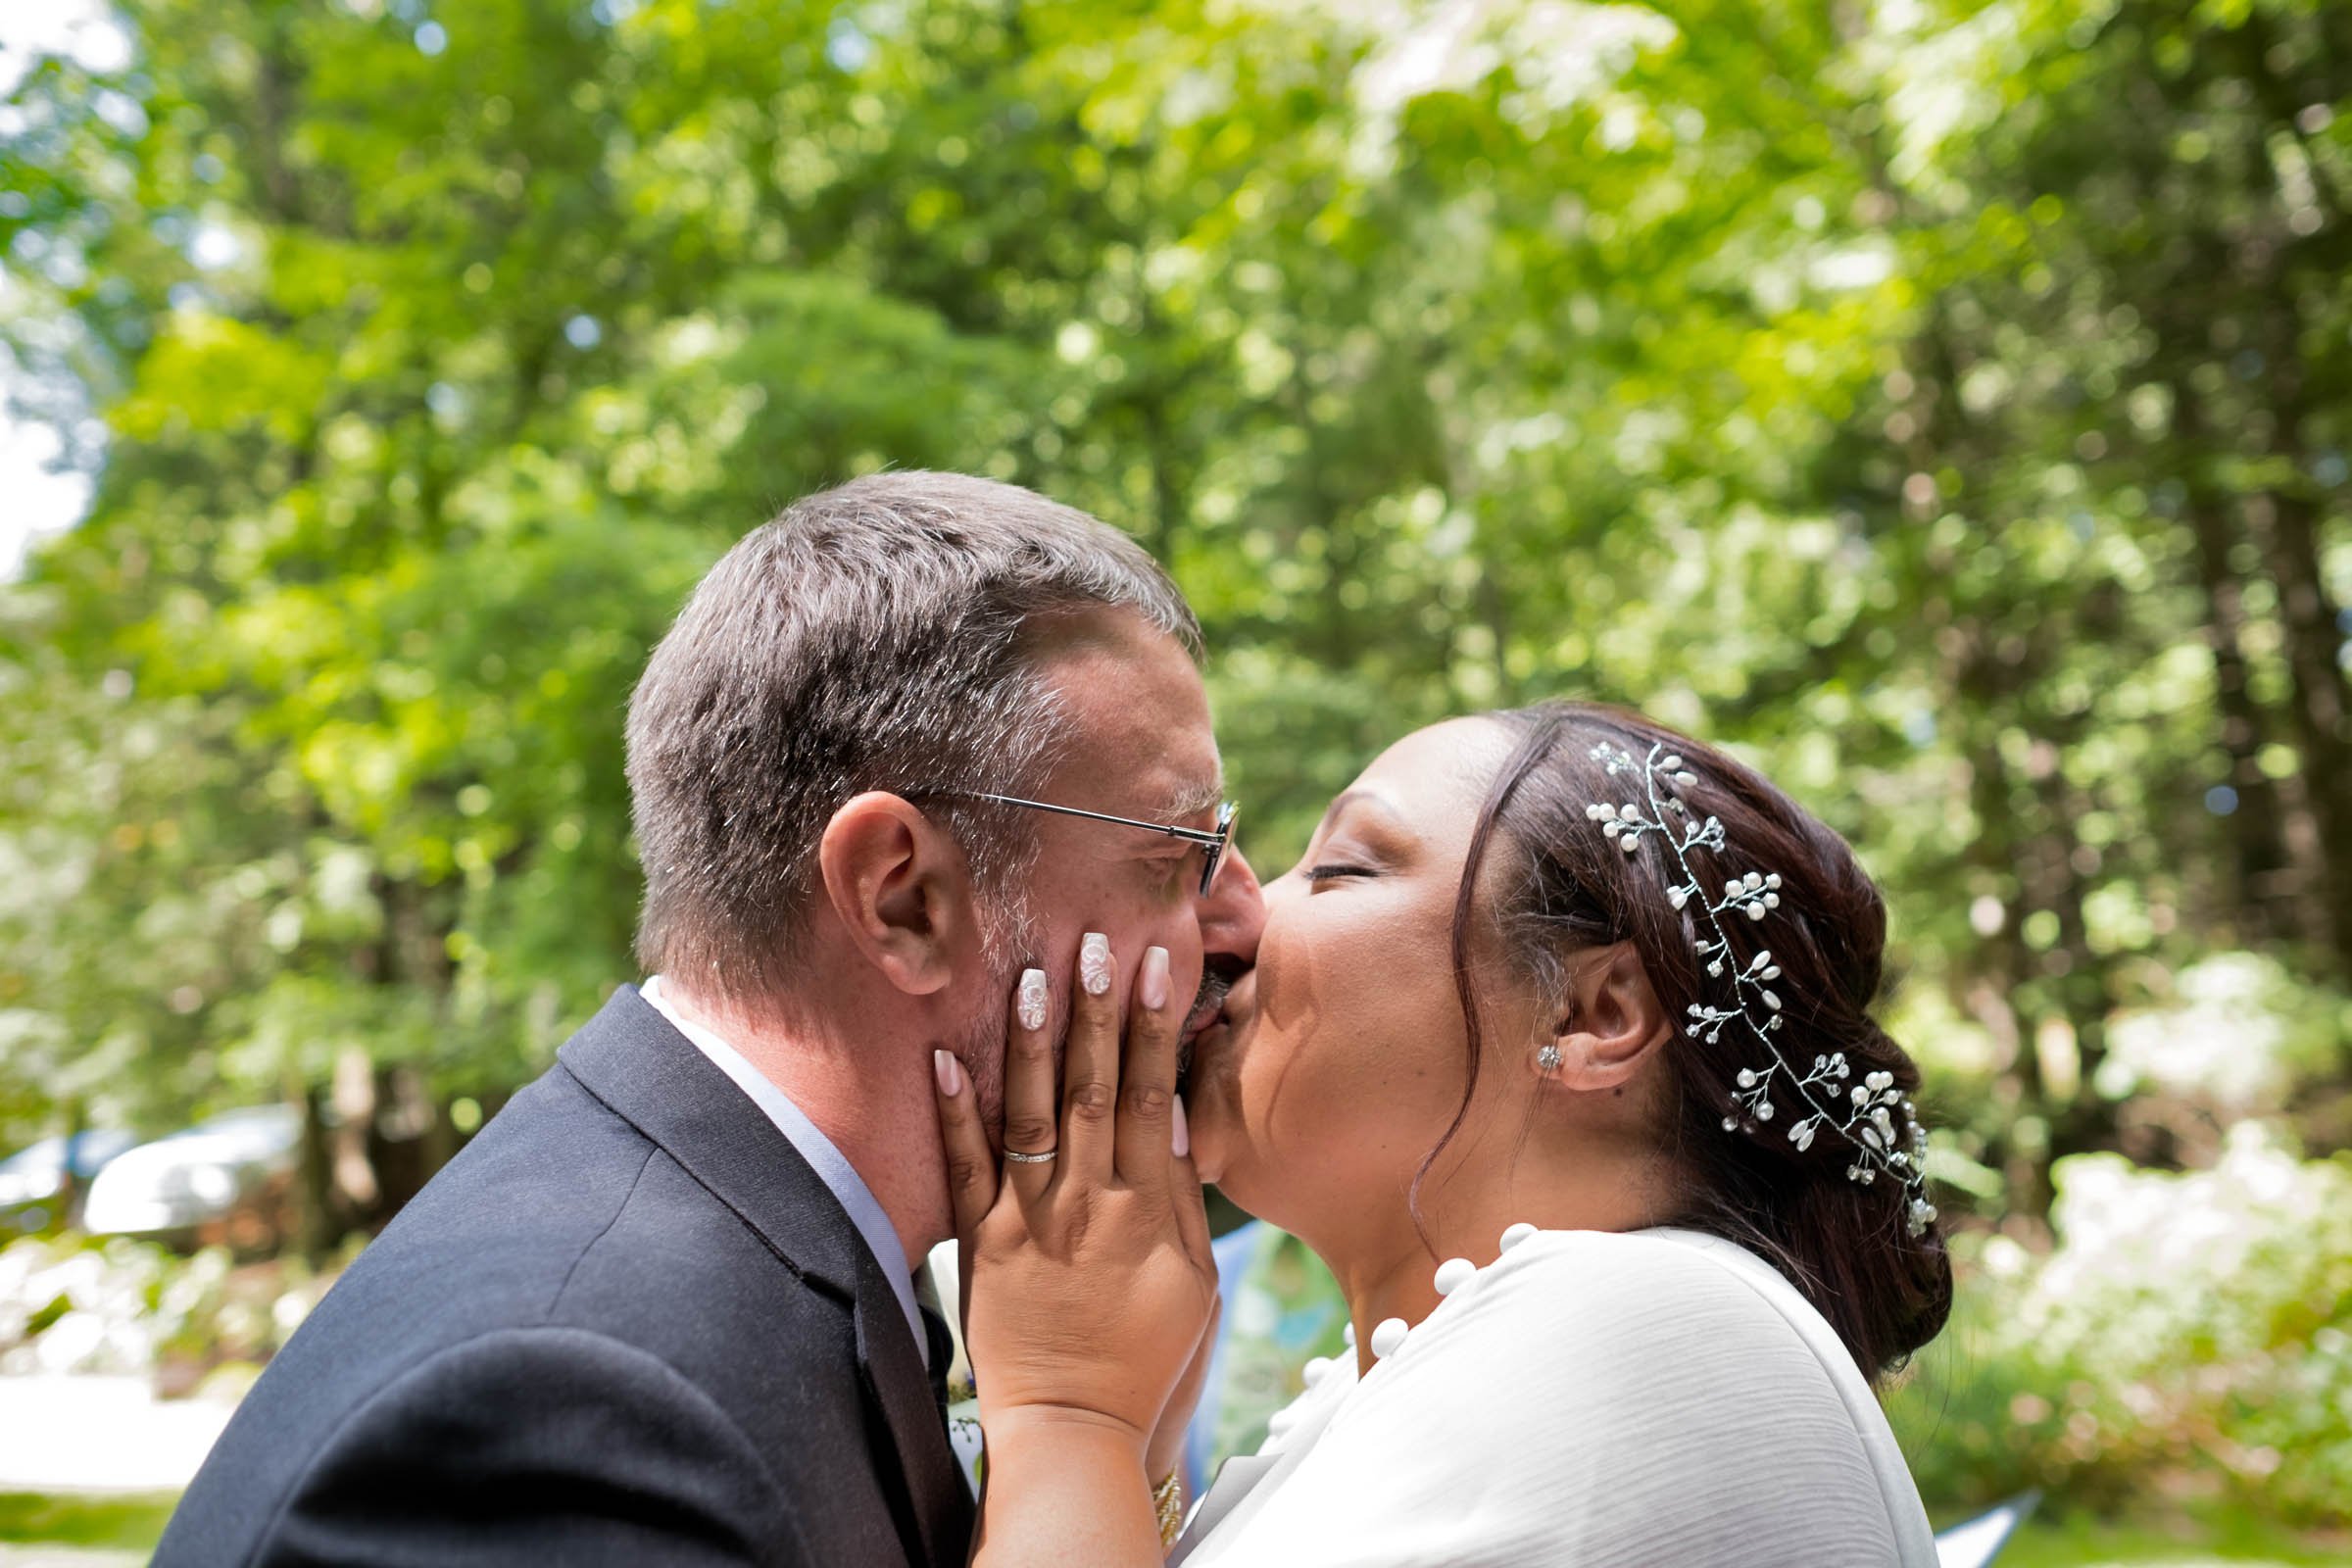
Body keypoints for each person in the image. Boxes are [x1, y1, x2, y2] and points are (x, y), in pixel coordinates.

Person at [154, 471, 1266, 1567]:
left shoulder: (771, 1253)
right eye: (1176, 856)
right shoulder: (570, 1415)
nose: (1243, 916)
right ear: (903, 897)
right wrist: (1077, 1425)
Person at [936, 701, 1952, 1566]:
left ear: (1592, 1015)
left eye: (1339, 868)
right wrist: (1135, 1450)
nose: (1231, 916)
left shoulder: (1636, 1325)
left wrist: (1073, 1418)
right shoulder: (1423, 1366)